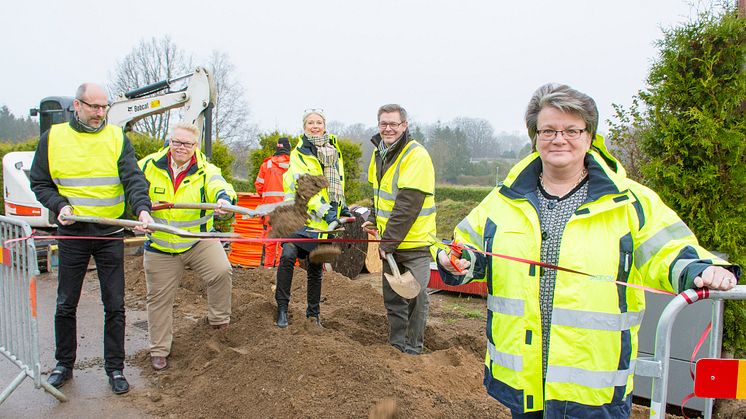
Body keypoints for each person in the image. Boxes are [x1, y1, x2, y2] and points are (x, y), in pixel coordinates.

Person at [437, 83, 741, 418]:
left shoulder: (628, 201)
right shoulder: (503, 200)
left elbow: (667, 250)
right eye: (548, 130)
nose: (559, 138)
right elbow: (466, 250)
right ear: (535, 137)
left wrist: (700, 269)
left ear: (589, 135)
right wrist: (454, 260)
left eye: (571, 130)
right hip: (524, 380)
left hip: (594, 387)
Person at [30, 83, 153, 395]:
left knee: (115, 304)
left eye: (104, 107)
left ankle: (115, 369)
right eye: (94, 107)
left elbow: (133, 179)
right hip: (72, 233)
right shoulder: (53, 138)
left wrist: (141, 210)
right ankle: (63, 365)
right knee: (65, 303)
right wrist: (59, 205)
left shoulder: (116, 137)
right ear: (77, 105)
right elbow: (40, 182)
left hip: (110, 233)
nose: (100, 113)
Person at [138, 121, 237, 371]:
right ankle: (159, 350)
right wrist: (136, 213)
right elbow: (132, 189)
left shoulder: (205, 169)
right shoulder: (149, 165)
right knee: (158, 299)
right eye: (177, 142)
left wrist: (224, 200)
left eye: (187, 143)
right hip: (161, 244)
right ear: (169, 142)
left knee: (221, 271)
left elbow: (220, 185)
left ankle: (219, 322)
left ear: (195, 146)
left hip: (197, 241)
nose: (181, 147)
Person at [360, 104, 437, 355]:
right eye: (383, 124)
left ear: (405, 126)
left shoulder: (416, 155)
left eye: (394, 124)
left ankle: (413, 349)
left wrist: (387, 242)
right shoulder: (379, 154)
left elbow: (408, 205)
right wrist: (373, 217)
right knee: (393, 298)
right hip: (390, 241)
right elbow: (377, 193)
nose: (388, 128)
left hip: (414, 244)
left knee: (416, 298)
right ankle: (396, 346)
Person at [274, 109, 349, 328]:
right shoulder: (300, 153)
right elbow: (307, 188)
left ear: (325, 125)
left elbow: (337, 185)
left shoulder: (334, 151)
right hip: (299, 218)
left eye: (318, 122)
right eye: (310, 122)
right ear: (304, 127)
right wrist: (327, 211)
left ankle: (313, 315)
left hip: (323, 223)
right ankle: (282, 309)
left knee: (316, 268)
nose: (314, 126)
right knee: (288, 256)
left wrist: (341, 208)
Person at [255, 137, 292, 267]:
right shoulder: (293, 165)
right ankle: (282, 269)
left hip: (269, 208)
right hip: (287, 209)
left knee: (270, 239)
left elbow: (259, 185)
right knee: (284, 240)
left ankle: (268, 268)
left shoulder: (267, 164)